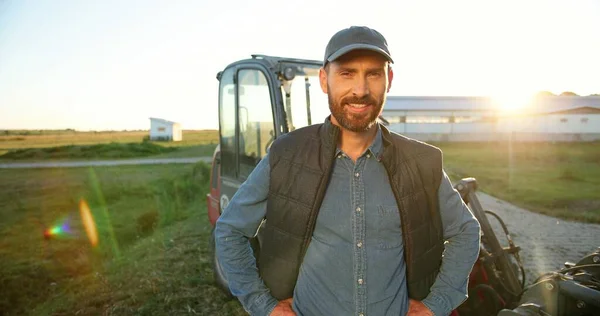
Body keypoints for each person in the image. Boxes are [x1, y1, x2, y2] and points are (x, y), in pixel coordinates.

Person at [215, 26, 481, 316]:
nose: (360, 90)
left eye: (373, 74)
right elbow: (230, 229)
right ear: (324, 80)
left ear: (388, 80)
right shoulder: (286, 155)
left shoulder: (420, 161)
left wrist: (436, 305)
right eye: (347, 73)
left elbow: (466, 231)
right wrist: (263, 306)